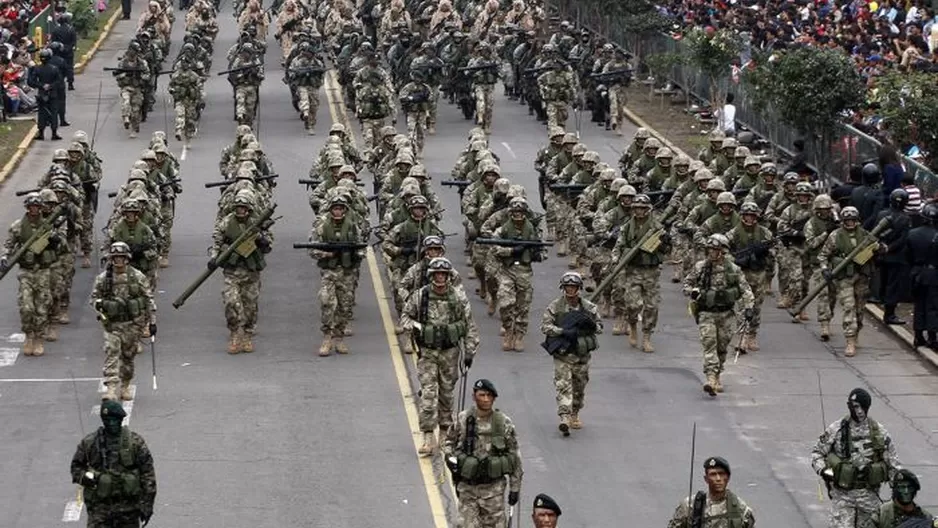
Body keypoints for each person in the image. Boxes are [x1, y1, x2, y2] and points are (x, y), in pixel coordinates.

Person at [400, 256, 480, 456]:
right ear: (431, 275)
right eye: (437, 274)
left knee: (446, 394)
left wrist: (469, 352)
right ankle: (427, 436)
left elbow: (470, 327)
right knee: (428, 393)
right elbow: (405, 318)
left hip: (450, 353)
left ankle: (445, 436)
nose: (440, 277)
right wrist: (418, 327)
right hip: (427, 353)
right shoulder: (420, 297)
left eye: (444, 274)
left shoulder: (458, 298)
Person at [811, 388, 902, 528]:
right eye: (855, 407)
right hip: (843, 497)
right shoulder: (836, 429)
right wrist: (823, 471)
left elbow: (893, 465)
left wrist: (897, 493)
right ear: (849, 407)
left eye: (863, 407)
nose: (859, 411)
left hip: (869, 497)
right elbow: (817, 453)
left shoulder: (879, 432)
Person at [442, 379, 523, 528]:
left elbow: (515, 457)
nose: (486, 399)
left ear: (494, 398)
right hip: (467, 489)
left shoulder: (503, 422)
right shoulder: (463, 419)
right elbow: (449, 441)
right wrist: (449, 457)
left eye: (489, 396)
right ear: (474, 396)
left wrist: (515, 488)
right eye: (482, 395)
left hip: (493, 490)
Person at [683, 234, 754, 396]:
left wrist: (749, 308)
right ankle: (710, 378)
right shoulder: (701, 267)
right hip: (706, 313)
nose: (711, 253)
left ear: (722, 251)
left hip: (726, 314)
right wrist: (693, 292)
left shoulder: (733, 270)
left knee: (722, 348)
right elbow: (687, 284)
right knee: (709, 345)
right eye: (709, 250)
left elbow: (746, 290)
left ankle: (717, 374)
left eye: (715, 250)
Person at [70, 400, 157, 527]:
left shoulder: (135, 442)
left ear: (121, 420)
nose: (111, 423)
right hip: (100, 509)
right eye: (107, 420)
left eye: (115, 420)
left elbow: (147, 474)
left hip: (128, 508)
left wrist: (147, 505)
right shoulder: (90, 443)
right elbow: (76, 467)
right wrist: (88, 478)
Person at [91, 242, 157, 401]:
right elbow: (94, 299)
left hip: (132, 324)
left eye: (121, 257)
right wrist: (102, 306)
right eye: (115, 258)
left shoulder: (137, 277)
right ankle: (111, 388)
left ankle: (125, 385)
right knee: (111, 352)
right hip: (112, 325)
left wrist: (152, 322)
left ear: (127, 259)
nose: (118, 261)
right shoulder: (103, 279)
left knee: (128, 357)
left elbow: (149, 300)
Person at [210, 192, 273, 354]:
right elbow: (217, 241)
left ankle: (247, 334)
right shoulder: (226, 223)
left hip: (251, 271)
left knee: (250, 305)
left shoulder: (257, 224)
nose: (240, 211)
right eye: (238, 207)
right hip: (232, 271)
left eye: (243, 208)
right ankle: (234, 333)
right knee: (231, 302)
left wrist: (262, 241)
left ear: (249, 209)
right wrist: (214, 258)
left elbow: (268, 243)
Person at [540, 271, 601, 435]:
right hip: (563, 354)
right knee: (563, 386)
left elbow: (600, 327)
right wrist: (562, 331)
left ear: (579, 288)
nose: (570, 290)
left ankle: (575, 413)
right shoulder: (555, 306)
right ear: (563, 287)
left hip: (581, 355)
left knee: (579, 387)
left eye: (573, 286)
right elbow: (545, 327)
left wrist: (590, 325)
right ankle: (564, 417)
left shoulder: (588, 307)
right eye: (568, 286)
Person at [1, 193, 59, 356]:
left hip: (42, 271)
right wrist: (5, 256)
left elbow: (60, 247)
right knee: (26, 307)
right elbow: (9, 244)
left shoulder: (48, 225)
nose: (34, 210)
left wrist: (55, 240)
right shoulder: (18, 226)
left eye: (37, 207)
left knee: (41, 307)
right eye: (32, 207)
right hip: (26, 271)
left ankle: (39, 338)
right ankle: (29, 336)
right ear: (27, 208)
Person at [667, 456, 755, 528]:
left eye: (721, 474)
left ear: (728, 478)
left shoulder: (740, 509)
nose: (718, 479)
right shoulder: (689, 506)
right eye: (713, 474)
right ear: (706, 479)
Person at [906, 203, 938, 349]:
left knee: (919, 305)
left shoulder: (912, 234)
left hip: (916, 273)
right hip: (934, 274)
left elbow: (908, 256)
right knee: (932, 306)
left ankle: (918, 336)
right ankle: (932, 337)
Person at [28, 49, 63, 140]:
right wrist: (50, 86)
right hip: (53, 94)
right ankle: (54, 133)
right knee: (54, 113)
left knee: (42, 113)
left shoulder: (37, 68)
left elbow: (31, 82)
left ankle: (41, 133)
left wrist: (41, 85)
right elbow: (59, 81)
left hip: (42, 94)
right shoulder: (54, 69)